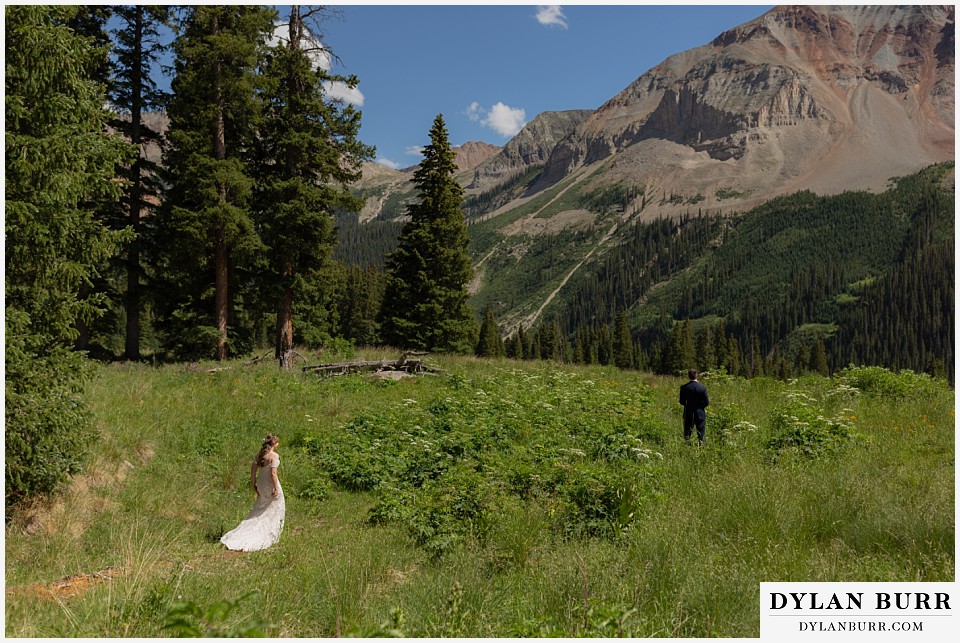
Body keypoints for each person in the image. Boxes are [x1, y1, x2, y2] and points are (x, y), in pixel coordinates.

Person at [221, 434, 285, 551]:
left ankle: (249, 529)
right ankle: (268, 532)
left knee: (260, 508)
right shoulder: (274, 456)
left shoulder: (260, 455)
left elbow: (253, 469)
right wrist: (275, 487)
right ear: (274, 444)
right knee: (273, 507)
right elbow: (273, 474)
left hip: (261, 484)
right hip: (270, 484)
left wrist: (253, 483)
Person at [679, 369, 709, 444]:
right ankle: (701, 446)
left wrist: (687, 405)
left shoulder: (684, 387)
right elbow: (706, 402)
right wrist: (700, 407)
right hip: (700, 412)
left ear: (689, 376)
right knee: (701, 433)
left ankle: (687, 445)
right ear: (697, 376)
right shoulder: (702, 388)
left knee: (687, 432)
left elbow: (681, 401)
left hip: (688, 412)